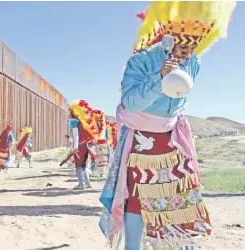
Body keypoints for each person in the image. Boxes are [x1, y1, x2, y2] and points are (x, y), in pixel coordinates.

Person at [99, 2, 236, 250]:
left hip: (173, 139)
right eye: (182, 47)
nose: (186, 54)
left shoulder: (194, 62)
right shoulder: (140, 61)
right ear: (169, 38)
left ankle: (182, 245)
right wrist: (160, 78)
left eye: (193, 48)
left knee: (181, 196)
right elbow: (129, 102)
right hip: (141, 141)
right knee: (137, 198)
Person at [68, 100, 99, 190]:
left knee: (78, 166)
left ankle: (81, 184)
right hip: (85, 145)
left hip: (80, 146)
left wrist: (75, 147)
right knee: (84, 166)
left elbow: (75, 135)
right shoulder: (83, 123)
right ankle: (88, 183)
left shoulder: (74, 121)